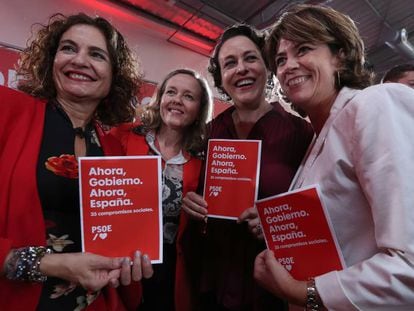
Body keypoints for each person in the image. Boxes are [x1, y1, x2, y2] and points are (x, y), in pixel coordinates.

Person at [254, 4, 414, 310]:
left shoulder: (375, 103)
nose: (288, 66)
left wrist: (306, 293)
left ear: (339, 54)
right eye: (280, 60)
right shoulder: (319, 138)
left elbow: (409, 265)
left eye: (303, 49)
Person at [0, 13, 153, 310]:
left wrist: (127, 264)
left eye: (96, 54)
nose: (80, 60)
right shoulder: (7, 112)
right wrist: (45, 264)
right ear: (51, 60)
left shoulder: (113, 149)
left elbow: (116, 241)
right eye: (69, 48)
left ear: (114, 75)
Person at [181, 24, 314, 310]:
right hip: (213, 283)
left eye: (250, 58)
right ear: (221, 77)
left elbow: (319, 214)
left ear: (266, 66)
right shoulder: (208, 132)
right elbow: (190, 189)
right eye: (230, 63)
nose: (240, 68)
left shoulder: (300, 133)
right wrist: (190, 204)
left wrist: (277, 225)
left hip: (272, 287)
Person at [110, 68, 212, 311]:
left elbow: (208, 225)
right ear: (161, 98)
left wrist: (204, 214)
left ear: (200, 109)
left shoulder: (204, 158)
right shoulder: (125, 136)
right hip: (121, 262)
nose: (177, 99)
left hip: (172, 269)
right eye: (171, 92)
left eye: (188, 96)